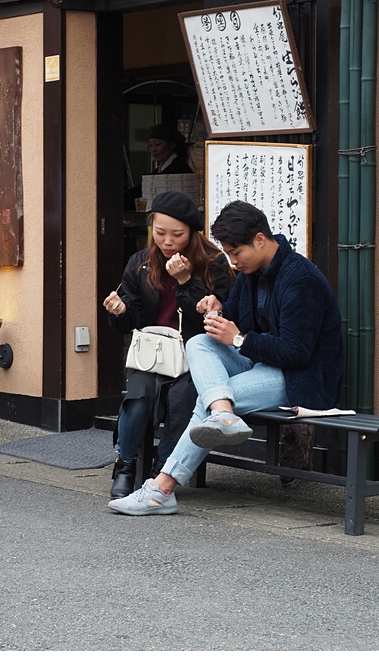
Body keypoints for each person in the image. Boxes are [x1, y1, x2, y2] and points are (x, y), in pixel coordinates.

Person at [108, 199, 344, 516]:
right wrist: (216, 314)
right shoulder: (250, 273)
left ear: (260, 239)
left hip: (300, 378)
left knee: (203, 400)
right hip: (259, 362)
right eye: (229, 253)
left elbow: (296, 352)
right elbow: (235, 324)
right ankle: (223, 412)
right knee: (200, 343)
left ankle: (161, 489)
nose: (232, 261)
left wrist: (237, 337)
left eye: (236, 252)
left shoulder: (301, 280)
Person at [103, 191, 234, 500]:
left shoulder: (214, 262)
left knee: (182, 397)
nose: (167, 241)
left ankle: (162, 472)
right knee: (139, 394)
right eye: (159, 233)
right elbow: (132, 319)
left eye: (177, 234)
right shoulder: (141, 262)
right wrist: (120, 312)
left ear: (192, 233)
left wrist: (187, 281)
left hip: (196, 353)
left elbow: (212, 316)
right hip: (151, 350)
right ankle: (125, 464)